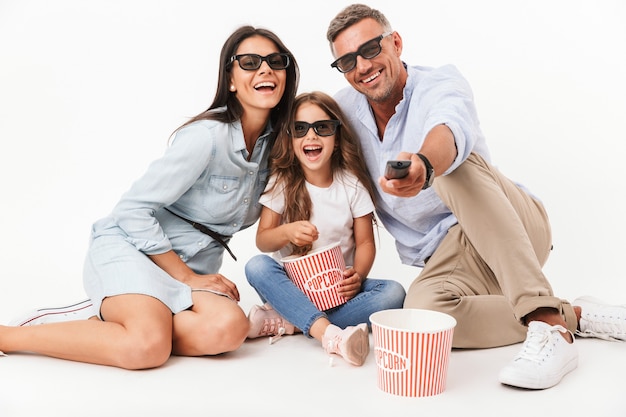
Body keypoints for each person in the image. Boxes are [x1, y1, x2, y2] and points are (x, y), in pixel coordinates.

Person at [325, 3, 626, 388]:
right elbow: (305, 143)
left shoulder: (439, 84)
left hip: (510, 228)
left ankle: (551, 329)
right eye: (348, 61)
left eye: (369, 50)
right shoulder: (345, 110)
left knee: (451, 169)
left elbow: (449, 129)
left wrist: (424, 164)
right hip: (451, 264)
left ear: (396, 43)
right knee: (422, 314)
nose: (362, 66)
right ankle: (574, 315)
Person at [0, 25, 300, 368]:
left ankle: (111, 327)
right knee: (148, 348)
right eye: (249, 62)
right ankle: (10, 335)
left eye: (276, 61)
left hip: (192, 271)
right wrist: (186, 277)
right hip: (132, 250)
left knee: (229, 329)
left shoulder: (279, 148)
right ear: (230, 79)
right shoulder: (207, 137)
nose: (265, 69)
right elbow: (131, 211)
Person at [244, 91, 406, 366]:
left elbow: (365, 242)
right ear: (290, 138)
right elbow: (263, 240)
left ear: (337, 135)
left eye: (322, 128)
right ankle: (327, 332)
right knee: (257, 266)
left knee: (393, 293)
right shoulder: (283, 181)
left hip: (336, 291)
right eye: (300, 129)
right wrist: (287, 232)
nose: (311, 136)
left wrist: (358, 274)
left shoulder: (352, 185)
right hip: (291, 286)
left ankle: (292, 319)